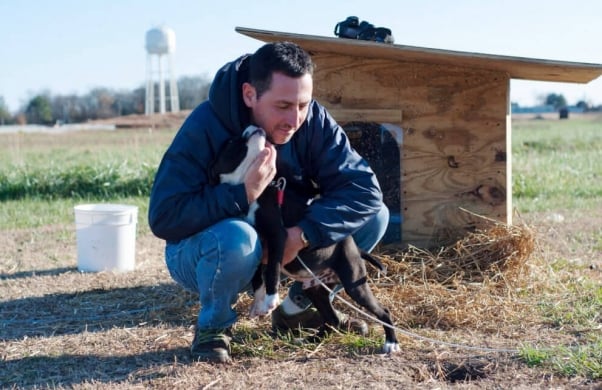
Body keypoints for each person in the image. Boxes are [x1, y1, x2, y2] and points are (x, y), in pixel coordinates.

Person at [148, 41, 389, 363]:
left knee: (375, 217)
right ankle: (214, 327)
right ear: (250, 95)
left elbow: (363, 191)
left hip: (283, 245)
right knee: (238, 238)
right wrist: (242, 193)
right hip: (210, 249)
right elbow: (165, 217)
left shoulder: (313, 120)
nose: (295, 118)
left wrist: (303, 234)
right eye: (283, 105)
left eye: (303, 104)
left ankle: (297, 308)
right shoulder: (206, 125)